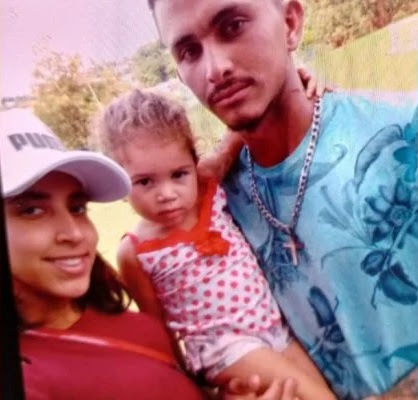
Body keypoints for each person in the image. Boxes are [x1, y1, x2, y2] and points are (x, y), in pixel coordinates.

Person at [147, 0, 418, 399]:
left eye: (233, 25)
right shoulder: (210, 207)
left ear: (290, 23)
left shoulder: (401, 137)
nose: (214, 68)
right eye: (189, 51)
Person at [92, 88, 335, 400]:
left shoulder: (208, 188)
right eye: (145, 182)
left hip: (272, 325)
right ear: (120, 184)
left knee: (323, 391)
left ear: (194, 163)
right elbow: (158, 326)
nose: (167, 194)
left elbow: (239, 130)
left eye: (178, 174)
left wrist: (295, 83)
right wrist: (191, 385)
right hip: (224, 349)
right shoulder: (135, 251)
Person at [0, 108, 205, 400]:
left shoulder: (118, 317)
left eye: (77, 207)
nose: (75, 233)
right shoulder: (29, 379)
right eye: (32, 210)